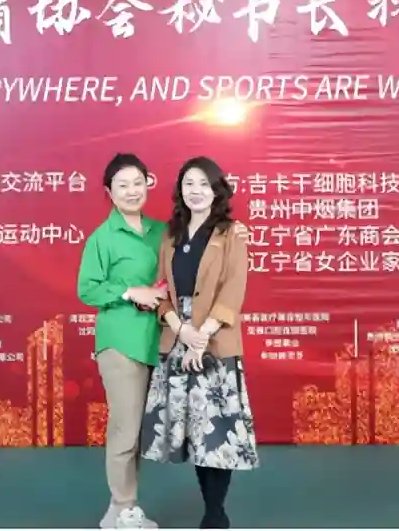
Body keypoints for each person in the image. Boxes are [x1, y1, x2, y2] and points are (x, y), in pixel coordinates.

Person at [140, 156, 259, 529]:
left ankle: (215, 514)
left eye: (204, 184)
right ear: (180, 190)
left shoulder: (231, 233)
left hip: (215, 339)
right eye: (189, 183)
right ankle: (212, 509)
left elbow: (234, 288)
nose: (196, 191)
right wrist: (180, 329)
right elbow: (161, 290)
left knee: (217, 432)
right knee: (196, 431)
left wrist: (202, 335)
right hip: (178, 338)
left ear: (217, 190)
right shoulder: (170, 235)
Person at [78, 153, 169, 529]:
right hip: (120, 342)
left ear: (148, 183)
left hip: (159, 341)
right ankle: (121, 506)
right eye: (122, 185)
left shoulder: (163, 231)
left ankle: (124, 510)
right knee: (125, 430)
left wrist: (233, 231)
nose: (132, 191)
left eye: (137, 183)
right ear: (109, 192)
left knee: (140, 431)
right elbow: (87, 289)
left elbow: (195, 253)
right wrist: (131, 291)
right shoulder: (102, 238)